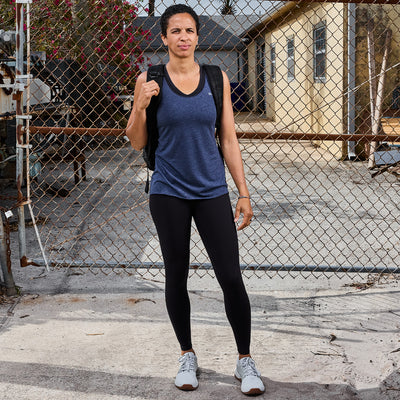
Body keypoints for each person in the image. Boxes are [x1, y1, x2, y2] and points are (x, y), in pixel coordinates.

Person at [126, 4, 265, 396]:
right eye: (175, 31)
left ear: (198, 37)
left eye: (189, 30)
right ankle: (187, 354)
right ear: (164, 38)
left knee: (231, 276)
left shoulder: (215, 78)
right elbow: (136, 140)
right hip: (168, 191)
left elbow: (228, 139)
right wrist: (141, 105)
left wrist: (243, 192)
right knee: (176, 274)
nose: (183, 37)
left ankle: (245, 360)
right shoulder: (149, 80)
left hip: (211, 192)